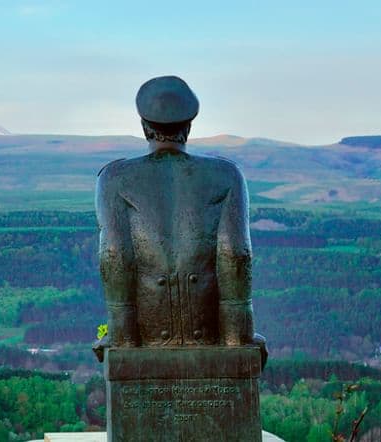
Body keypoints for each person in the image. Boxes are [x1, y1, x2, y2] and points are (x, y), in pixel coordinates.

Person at [94, 75, 266, 366]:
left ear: (144, 127)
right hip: (210, 332)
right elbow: (236, 256)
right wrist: (238, 337)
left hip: (145, 332)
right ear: (188, 126)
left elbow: (115, 257)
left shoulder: (114, 178)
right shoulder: (226, 175)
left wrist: (121, 338)